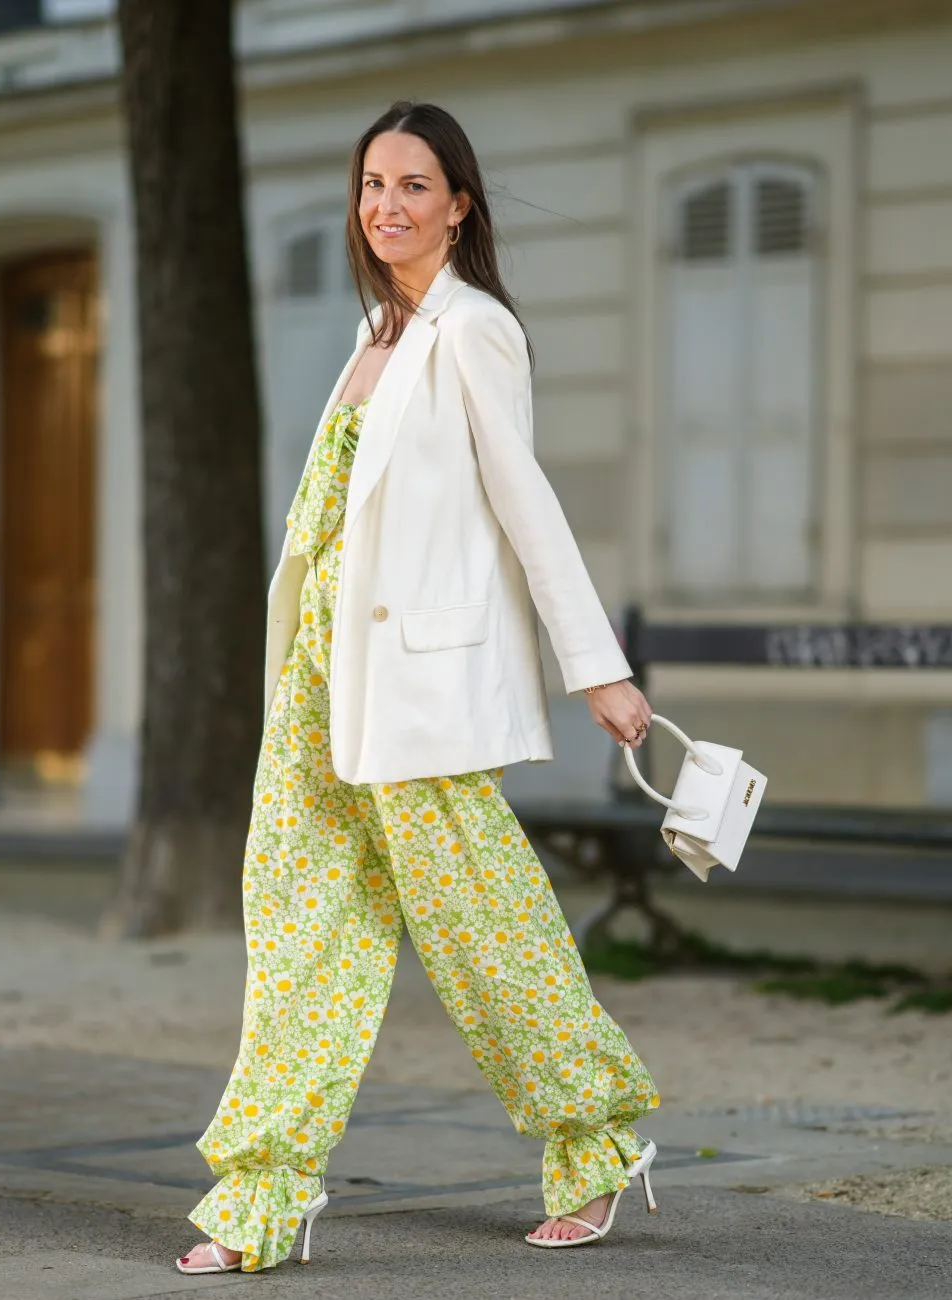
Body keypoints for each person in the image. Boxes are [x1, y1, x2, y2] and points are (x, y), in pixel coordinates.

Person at [173, 100, 663, 1276]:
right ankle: (264, 1192)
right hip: (319, 684)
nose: (384, 205)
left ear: (459, 204)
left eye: (411, 184)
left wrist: (595, 667)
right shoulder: (373, 330)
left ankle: (595, 1144)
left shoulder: (472, 330)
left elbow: (522, 502)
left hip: (418, 688)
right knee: (300, 934)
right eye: (369, 184)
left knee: (484, 930)